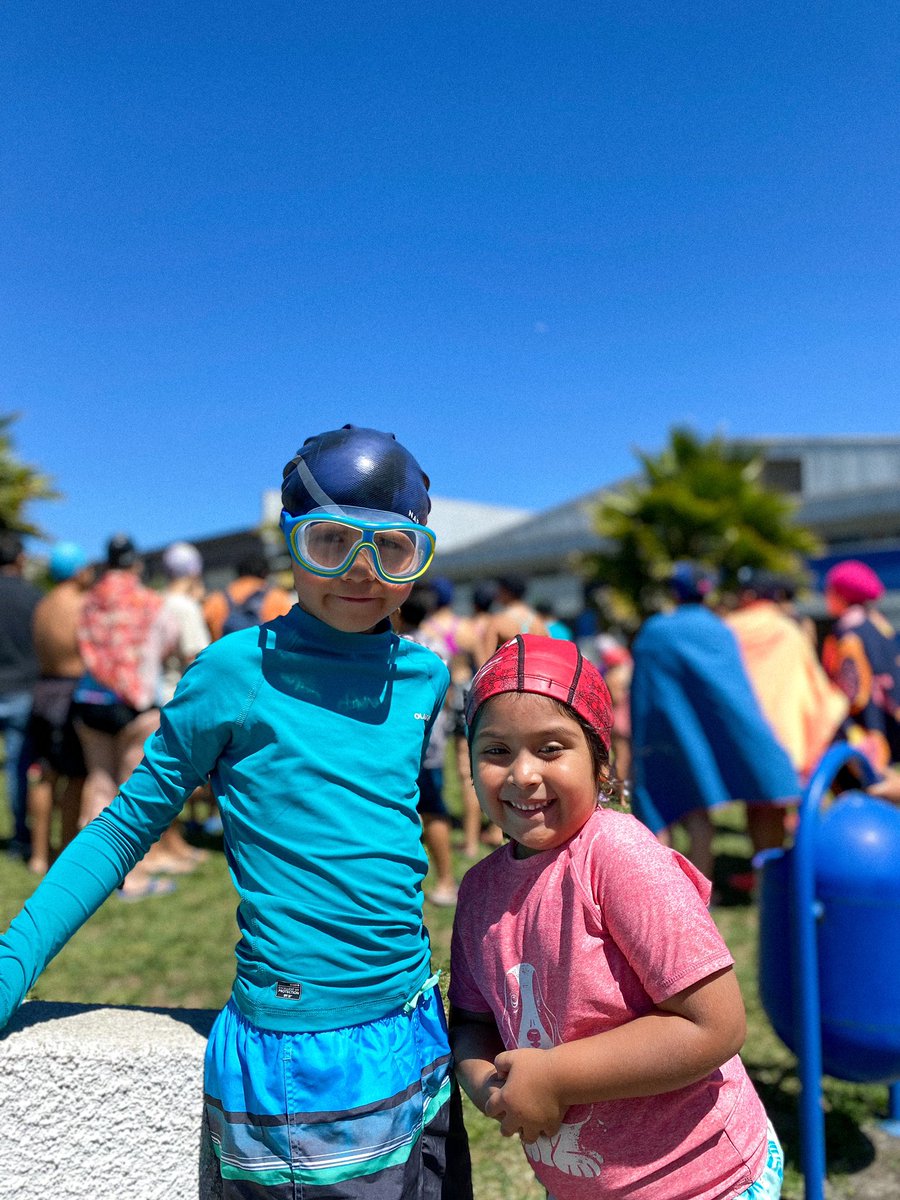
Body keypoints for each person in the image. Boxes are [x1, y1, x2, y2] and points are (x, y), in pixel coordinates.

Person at [0, 425, 471, 1199]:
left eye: (391, 550)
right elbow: (123, 830)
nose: (361, 573)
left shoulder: (420, 675)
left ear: (421, 553)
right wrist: (12, 964)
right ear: (289, 544)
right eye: (329, 543)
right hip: (300, 1065)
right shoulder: (233, 672)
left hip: (418, 1024)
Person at [449, 635, 783, 1200]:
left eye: (551, 749)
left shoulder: (617, 855)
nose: (522, 774)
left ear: (602, 763)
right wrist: (492, 1088)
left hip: (702, 1180)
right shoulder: (479, 889)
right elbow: (473, 1021)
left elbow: (716, 1025)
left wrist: (553, 1077)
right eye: (496, 751)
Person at [629, 563, 799, 883]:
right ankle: (702, 896)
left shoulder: (655, 631)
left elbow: (645, 692)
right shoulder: (720, 630)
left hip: (666, 735)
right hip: (707, 735)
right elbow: (734, 693)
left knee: (674, 812)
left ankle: (660, 891)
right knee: (699, 817)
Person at [72, 533, 184, 897]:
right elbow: (171, 641)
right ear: (136, 563)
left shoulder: (89, 601)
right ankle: (131, 880)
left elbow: (81, 642)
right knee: (129, 796)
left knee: (100, 784)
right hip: (136, 703)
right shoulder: (152, 601)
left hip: (90, 700)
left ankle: (84, 875)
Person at [725, 568, 848, 780]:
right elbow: (815, 687)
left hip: (736, 736)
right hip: (784, 738)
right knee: (779, 807)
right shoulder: (789, 631)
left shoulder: (726, 629)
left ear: (747, 596)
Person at [26, 542, 94, 875]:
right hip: (69, 694)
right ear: (79, 570)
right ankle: (66, 854)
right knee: (76, 778)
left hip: (42, 690)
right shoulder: (83, 604)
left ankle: (39, 856)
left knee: (43, 776)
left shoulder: (42, 606)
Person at [396, 583, 459, 907]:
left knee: (427, 809)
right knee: (433, 808)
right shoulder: (438, 645)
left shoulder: (398, 647)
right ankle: (444, 879)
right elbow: (446, 696)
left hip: (406, 744)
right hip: (433, 740)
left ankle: (443, 881)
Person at [821, 559, 900, 775]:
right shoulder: (878, 624)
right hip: (888, 719)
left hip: (865, 727)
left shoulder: (848, 634)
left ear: (842, 595)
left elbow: (854, 692)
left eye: (829, 590)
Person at [0, 530, 43, 859]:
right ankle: (20, 835)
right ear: (20, 559)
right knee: (18, 768)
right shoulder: (34, 598)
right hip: (23, 691)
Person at [203, 548, 294, 641]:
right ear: (265, 573)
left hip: (229, 653)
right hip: (269, 653)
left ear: (238, 573)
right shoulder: (277, 596)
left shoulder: (215, 600)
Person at [477, 575, 549, 665]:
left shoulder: (497, 622)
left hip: (508, 675)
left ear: (506, 591)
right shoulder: (539, 622)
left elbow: (485, 663)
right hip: (535, 674)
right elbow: (548, 656)